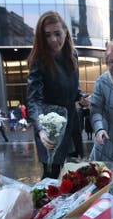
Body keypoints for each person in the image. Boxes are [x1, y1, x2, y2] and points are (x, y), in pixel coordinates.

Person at [26, 11, 83, 178]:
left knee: (75, 172)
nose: (53, 40)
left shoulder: (72, 54)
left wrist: (80, 96)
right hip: (51, 128)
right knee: (51, 175)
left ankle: (73, 204)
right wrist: (41, 129)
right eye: (48, 35)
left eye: (57, 34)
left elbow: (73, 84)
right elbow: (34, 99)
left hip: (71, 123)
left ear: (65, 32)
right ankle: (47, 204)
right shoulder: (39, 59)